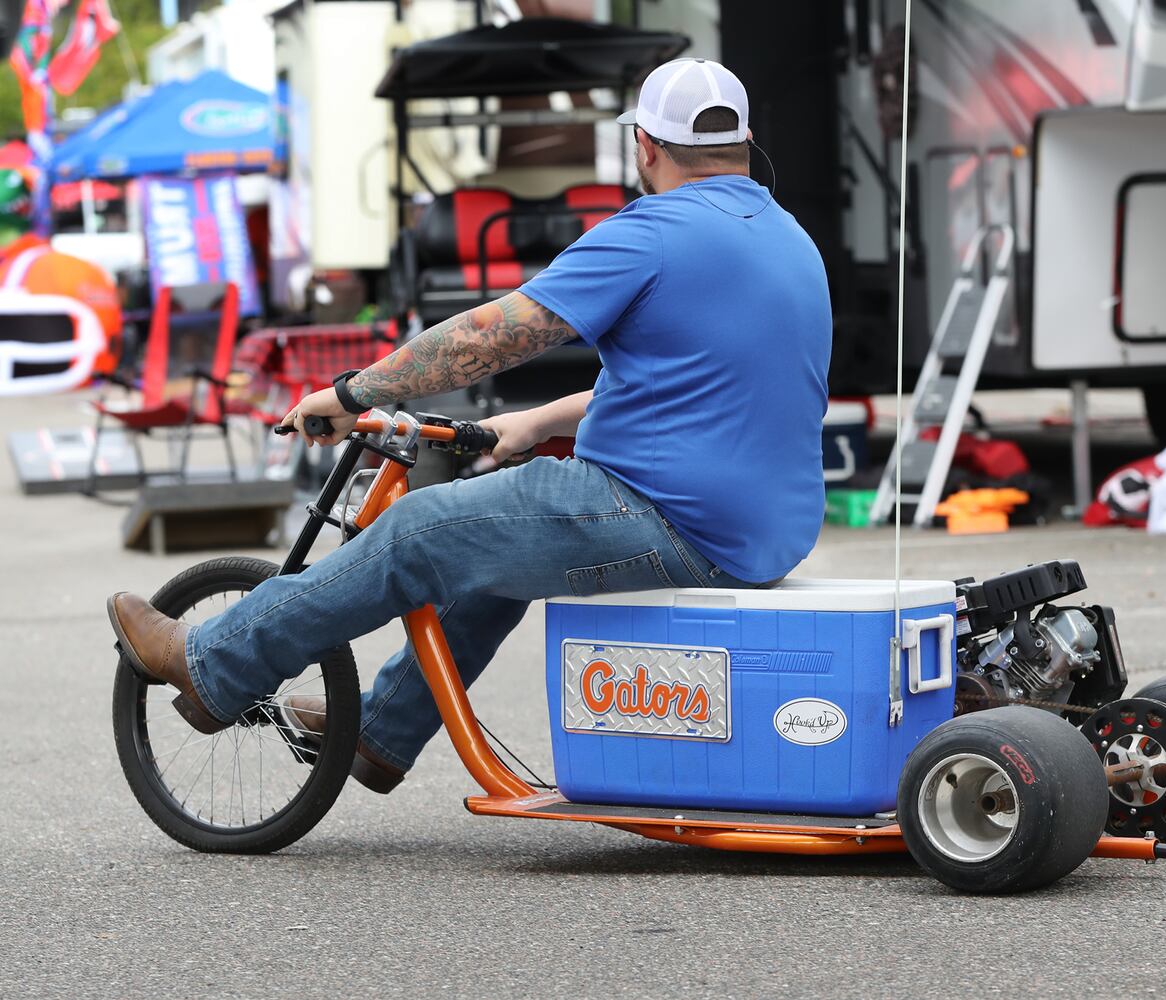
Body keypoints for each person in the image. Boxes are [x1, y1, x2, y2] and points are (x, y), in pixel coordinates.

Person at [106, 57, 832, 794]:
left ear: (643, 145)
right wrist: (537, 420)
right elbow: (706, 386)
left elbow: (493, 337)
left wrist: (355, 391)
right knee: (490, 545)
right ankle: (383, 729)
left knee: (416, 532)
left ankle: (212, 665)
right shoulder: (788, 238)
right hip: (762, 530)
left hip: (671, 519)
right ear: (742, 142)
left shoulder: (651, 232)